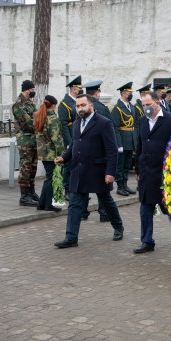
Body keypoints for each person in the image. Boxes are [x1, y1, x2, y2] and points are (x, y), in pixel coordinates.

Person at [53, 93, 125, 248]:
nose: (80, 108)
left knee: (106, 201)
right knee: (74, 204)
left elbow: (112, 150)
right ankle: (71, 238)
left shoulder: (104, 123)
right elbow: (74, 145)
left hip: (98, 171)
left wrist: (110, 172)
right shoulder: (77, 122)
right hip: (79, 170)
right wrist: (64, 157)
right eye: (78, 106)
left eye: (83, 105)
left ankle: (118, 227)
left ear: (91, 105)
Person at [133, 91, 171, 253]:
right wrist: (137, 168)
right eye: (143, 105)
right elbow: (140, 145)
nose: (145, 108)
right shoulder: (142, 121)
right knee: (145, 206)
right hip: (146, 170)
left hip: (164, 172)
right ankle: (147, 241)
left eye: (148, 104)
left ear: (157, 102)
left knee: (168, 207)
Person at [82, 80, 111, 222]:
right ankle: (104, 213)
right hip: (99, 155)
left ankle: (83, 212)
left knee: (84, 187)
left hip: (85, 155)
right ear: (97, 93)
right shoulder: (103, 108)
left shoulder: (81, 111)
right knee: (102, 190)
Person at [34, 95, 65, 212]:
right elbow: (56, 138)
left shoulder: (40, 116)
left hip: (43, 153)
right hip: (52, 154)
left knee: (49, 178)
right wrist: (61, 155)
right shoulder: (52, 118)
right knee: (51, 179)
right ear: (53, 105)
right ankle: (48, 204)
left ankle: (42, 203)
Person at [12, 80, 40, 207]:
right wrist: (40, 124)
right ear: (27, 89)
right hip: (25, 141)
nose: (33, 91)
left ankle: (31, 192)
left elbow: (36, 118)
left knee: (33, 167)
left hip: (33, 139)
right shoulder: (18, 105)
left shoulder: (30, 103)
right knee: (26, 167)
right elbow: (28, 123)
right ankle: (24, 196)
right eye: (32, 89)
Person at [112, 82, 138, 197]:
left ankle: (125, 184)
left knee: (127, 164)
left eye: (130, 92)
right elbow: (115, 127)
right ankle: (120, 186)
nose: (130, 94)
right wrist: (119, 144)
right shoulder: (117, 108)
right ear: (122, 93)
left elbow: (135, 124)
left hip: (131, 139)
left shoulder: (131, 106)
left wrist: (135, 140)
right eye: (128, 93)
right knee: (120, 164)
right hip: (122, 139)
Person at [59, 75, 82, 200]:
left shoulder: (77, 102)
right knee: (68, 165)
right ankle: (66, 189)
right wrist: (68, 142)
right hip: (71, 137)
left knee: (77, 165)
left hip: (78, 137)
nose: (79, 90)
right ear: (73, 88)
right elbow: (63, 124)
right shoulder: (65, 104)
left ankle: (76, 189)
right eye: (78, 88)